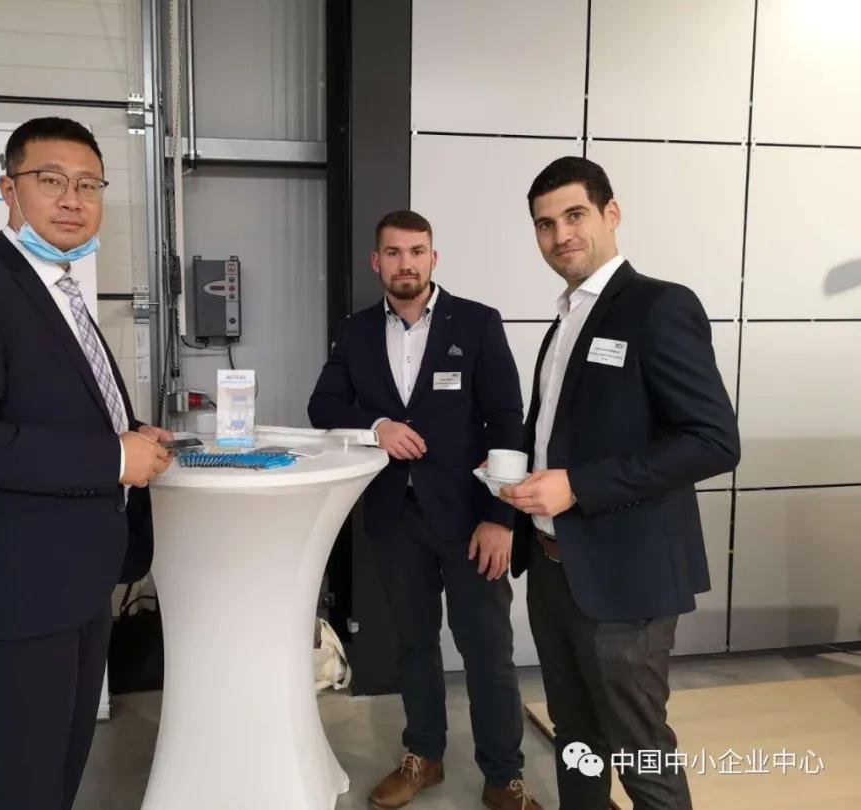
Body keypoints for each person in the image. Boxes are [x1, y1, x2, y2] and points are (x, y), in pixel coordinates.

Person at [0, 117, 172, 810]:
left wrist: (129, 433)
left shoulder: (61, 288)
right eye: (51, 180)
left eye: (89, 185)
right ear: (10, 189)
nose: (72, 199)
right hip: (19, 589)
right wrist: (114, 455)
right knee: (24, 781)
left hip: (79, 579)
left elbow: (50, 410)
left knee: (60, 771)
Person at [501, 156, 740, 809]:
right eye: (545, 224)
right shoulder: (565, 319)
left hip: (627, 579)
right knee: (576, 737)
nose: (560, 235)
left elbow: (713, 441)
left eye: (574, 215)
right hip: (553, 568)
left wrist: (578, 485)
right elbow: (558, 430)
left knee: (639, 752)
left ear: (611, 213)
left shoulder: (659, 306)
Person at [308, 210, 541, 810]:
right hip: (395, 517)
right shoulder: (356, 332)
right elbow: (323, 405)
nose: (406, 263)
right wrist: (377, 427)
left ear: (434, 258)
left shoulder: (478, 323)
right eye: (393, 252)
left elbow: (507, 422)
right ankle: (424, 756)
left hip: (471, 517)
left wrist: (501, 517)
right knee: (413, 645)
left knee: (486, 650)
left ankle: (504, 775)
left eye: (417, 251)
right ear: (376, 261)